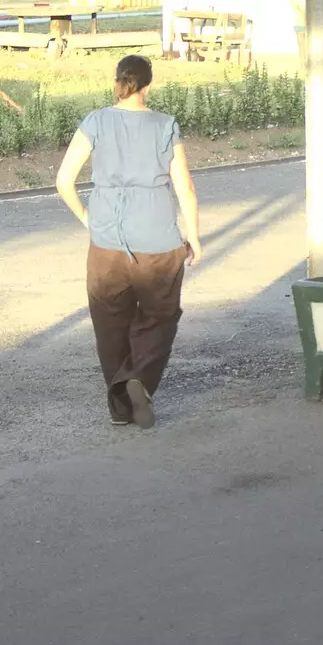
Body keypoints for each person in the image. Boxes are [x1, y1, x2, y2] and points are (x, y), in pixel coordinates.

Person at [55, 55, 201, 429]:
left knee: (109, 323)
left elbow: (63, 181)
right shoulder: (165, 125)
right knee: (160, 316)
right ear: (148, 85)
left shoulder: (96, 122)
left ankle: (120, 409)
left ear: (119, 81)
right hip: (157, 239)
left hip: (107, 242)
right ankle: (139, 378)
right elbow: (184, 186)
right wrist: (194, 235)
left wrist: (88, 218)